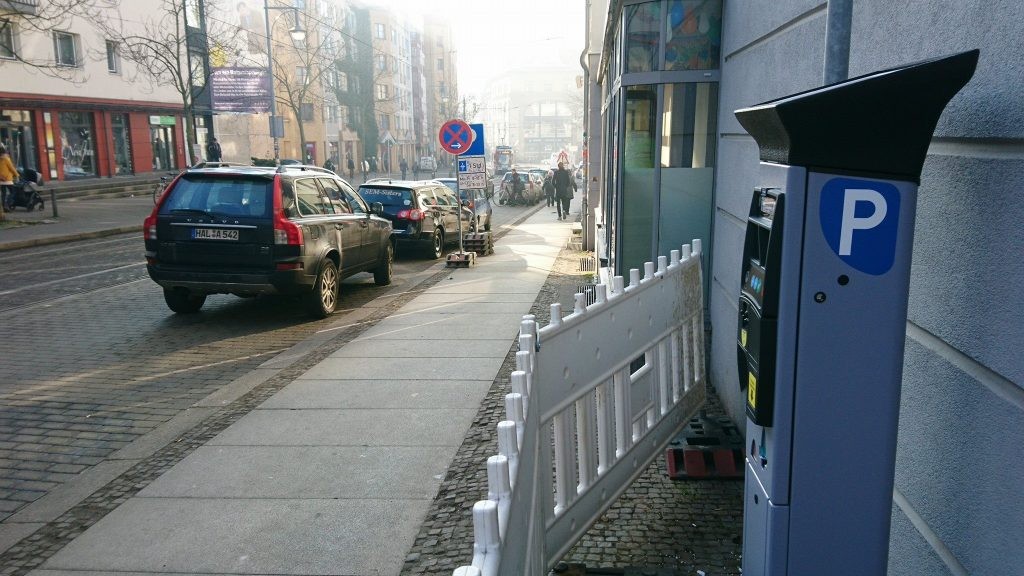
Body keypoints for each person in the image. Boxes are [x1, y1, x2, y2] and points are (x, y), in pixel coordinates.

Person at [0, 145, 19, 210]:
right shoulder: (6, 159)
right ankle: (7, 204)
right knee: (13, 192)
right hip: (7, 179)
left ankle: (3, 206)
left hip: (1, 179)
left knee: (3, 193)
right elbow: (11, 168)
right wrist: (17, 175)